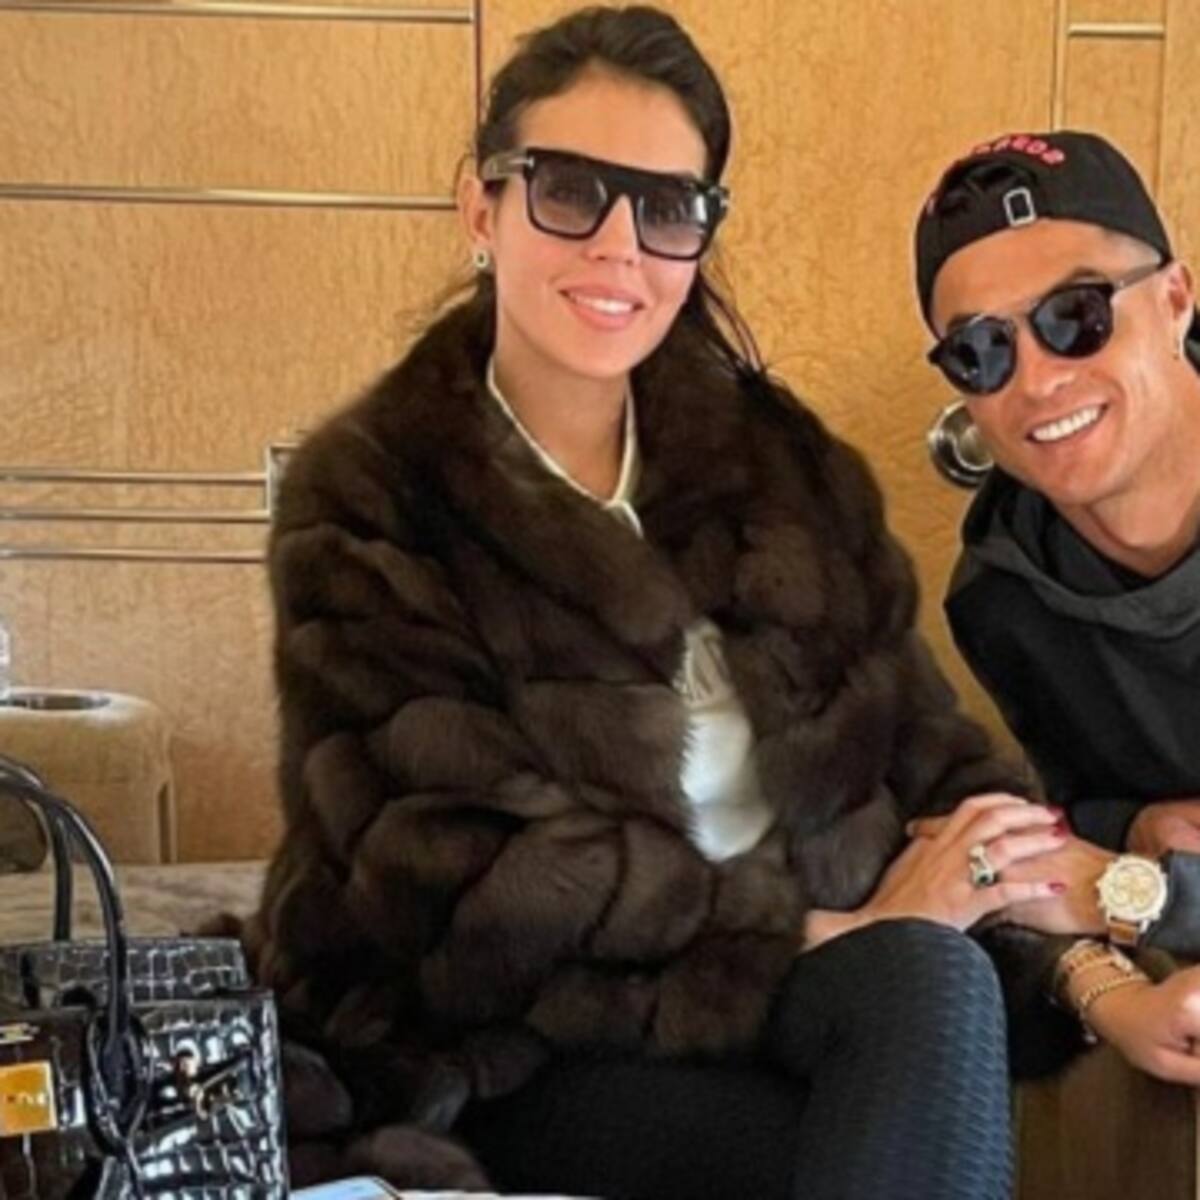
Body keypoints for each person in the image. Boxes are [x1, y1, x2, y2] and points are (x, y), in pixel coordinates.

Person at [245, 10, 1067, 1198]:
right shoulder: (372, 492)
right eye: (571, 191)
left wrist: (1073, 947)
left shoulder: (775, 465)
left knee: (931, 988)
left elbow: (919, 741)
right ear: (483, 206)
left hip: (787, 981)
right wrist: (809, 935)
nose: (620, 246)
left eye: (669, 206)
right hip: (510, 1038)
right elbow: (457, 878)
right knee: (849, 1108)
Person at [914, 129, 1200, 1088]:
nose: (1036, 381)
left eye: (1076, 316)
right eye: (982, 351)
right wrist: (1134, 826)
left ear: (1176, 299)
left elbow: (1090, 883)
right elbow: (1062, 841)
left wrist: (1138, 892)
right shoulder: (1003, 602)